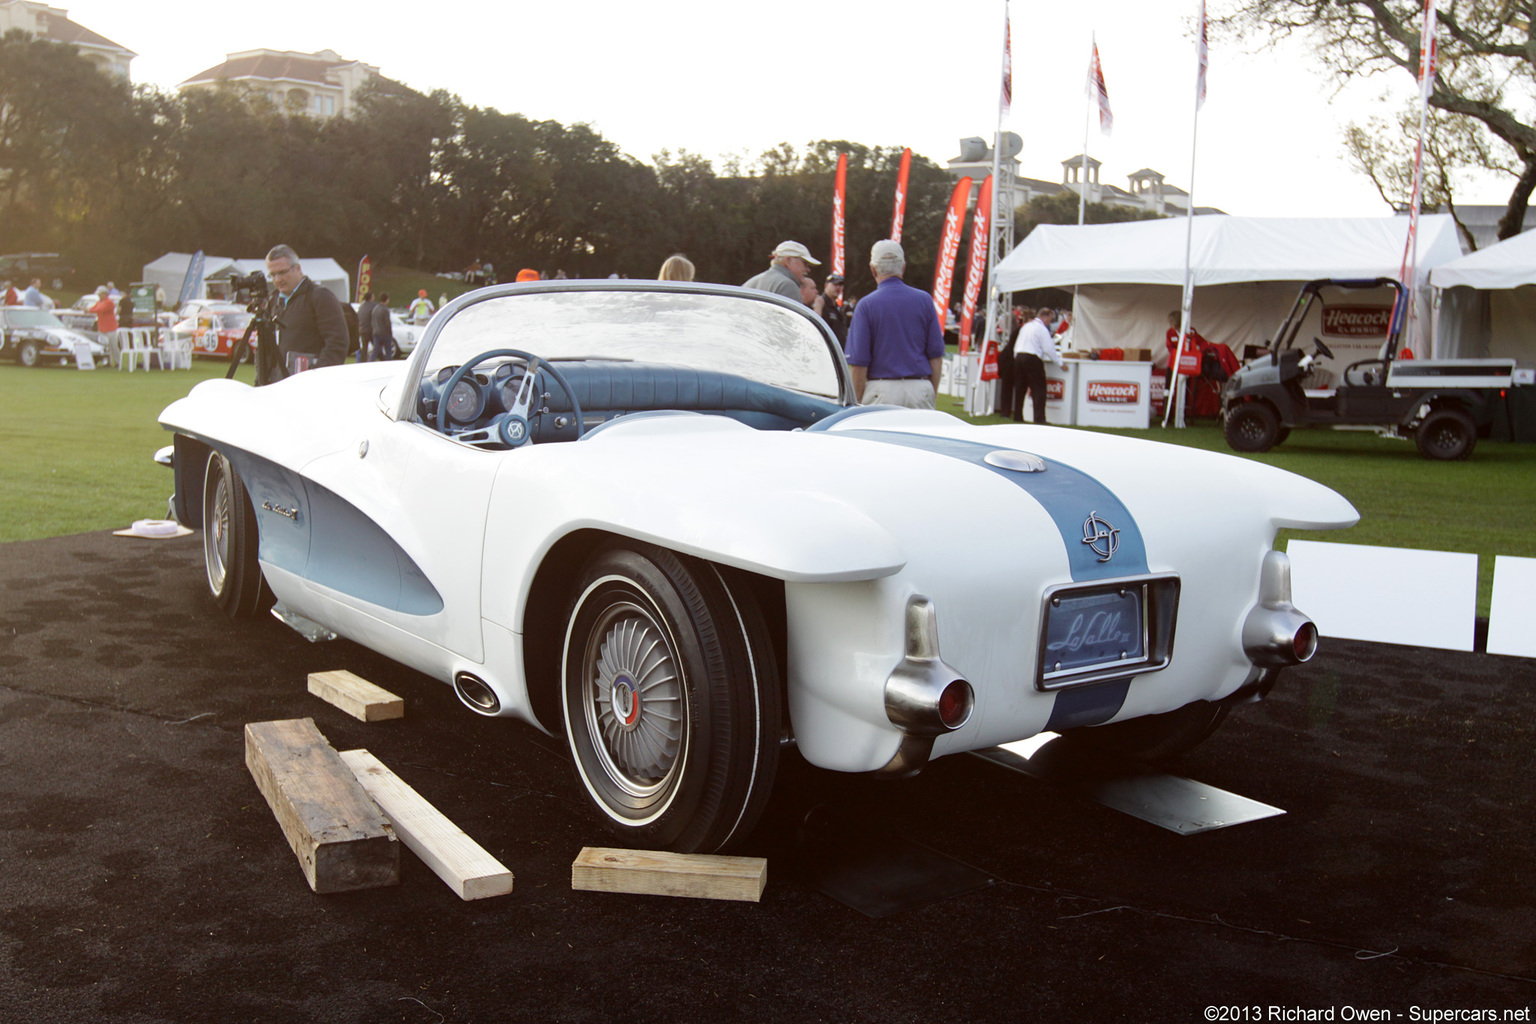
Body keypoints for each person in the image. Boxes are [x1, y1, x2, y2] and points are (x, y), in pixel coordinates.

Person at [845, 239, 945, 408]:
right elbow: (935, 356)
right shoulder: (924, 300)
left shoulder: (866, 305)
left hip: (881, 391)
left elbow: (859, 364)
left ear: (873, 269)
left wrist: (856, 402)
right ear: (903, 267)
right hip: (919, 388)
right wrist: (931, 393)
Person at [265, 244, 349, 376]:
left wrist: (314, 376)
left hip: (309, 386)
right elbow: (265, 347)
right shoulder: (273, 301)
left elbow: (337, 343)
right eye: (272, 275)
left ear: (297, 269)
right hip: (277, 386)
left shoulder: (320, 296)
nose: (277, 279)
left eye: (282, 272)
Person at [1012, 307, 1065, 424]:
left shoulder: (1026, 326)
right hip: (1032, 358)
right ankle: (1039, 418)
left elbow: (1017, 344)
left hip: (1019, 356)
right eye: (1049, 320)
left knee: (1020, 388)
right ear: (1044, 316)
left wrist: (1017, 357)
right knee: (1039, 389)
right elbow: (1049, 349)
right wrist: (1059, 363)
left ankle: (1018, 416)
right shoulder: (1041, 329)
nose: (1049, 323)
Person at [742, 241, 818, 302]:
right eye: (805, 263)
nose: (808, 269)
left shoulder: (750, 283)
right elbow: (792, 321)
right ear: (788, 261)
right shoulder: (787, 286)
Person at [993, 304, 1029, 417]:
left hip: (1007, 358)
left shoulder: (1019, 330)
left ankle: (1006, 411)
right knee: (1009, 387)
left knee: (1007, 387)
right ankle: (1008, 411)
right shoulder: (1021, 331)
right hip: (1009, 360)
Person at [819, 274, 849, 348]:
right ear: (826, 285)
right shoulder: (821, 304)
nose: (838, 287)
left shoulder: (837, 308)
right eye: (835, 284)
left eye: (840, 285)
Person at [370, 293, 395, 361]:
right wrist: (390, 332)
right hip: (384, 333)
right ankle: (389, 363)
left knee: (376, 350)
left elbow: (373, 321)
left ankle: (371, 361)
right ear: (386, 300)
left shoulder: (375, 309)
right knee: (388, 351)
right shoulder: (385, 310)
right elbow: (387, 323)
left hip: (376, 332)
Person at [356, 291, 377, 363]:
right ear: (371, 298)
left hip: (362, 330)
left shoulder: (361, 306)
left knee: (364, 348)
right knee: (377, 346)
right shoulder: (373, 306)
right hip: (370, 330)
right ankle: (381, 359)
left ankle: (362, 361)